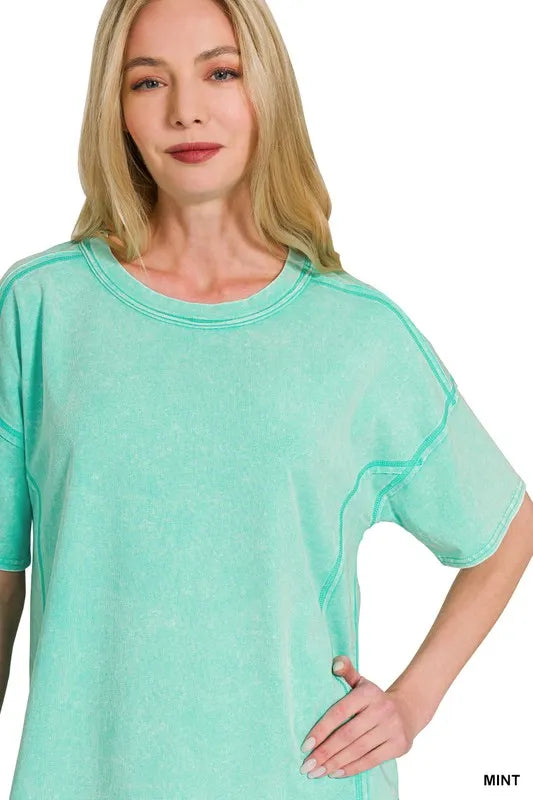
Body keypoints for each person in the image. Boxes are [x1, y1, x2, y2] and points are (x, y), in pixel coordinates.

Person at [0, 0, 531, 798]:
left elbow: (505, 528)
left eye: (220, 72)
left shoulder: (356, 334)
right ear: (115, 109)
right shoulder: (42, 309)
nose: (185, 110)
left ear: (267, 90)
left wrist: (412, 704)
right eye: (148, 82)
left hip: (299, 777)